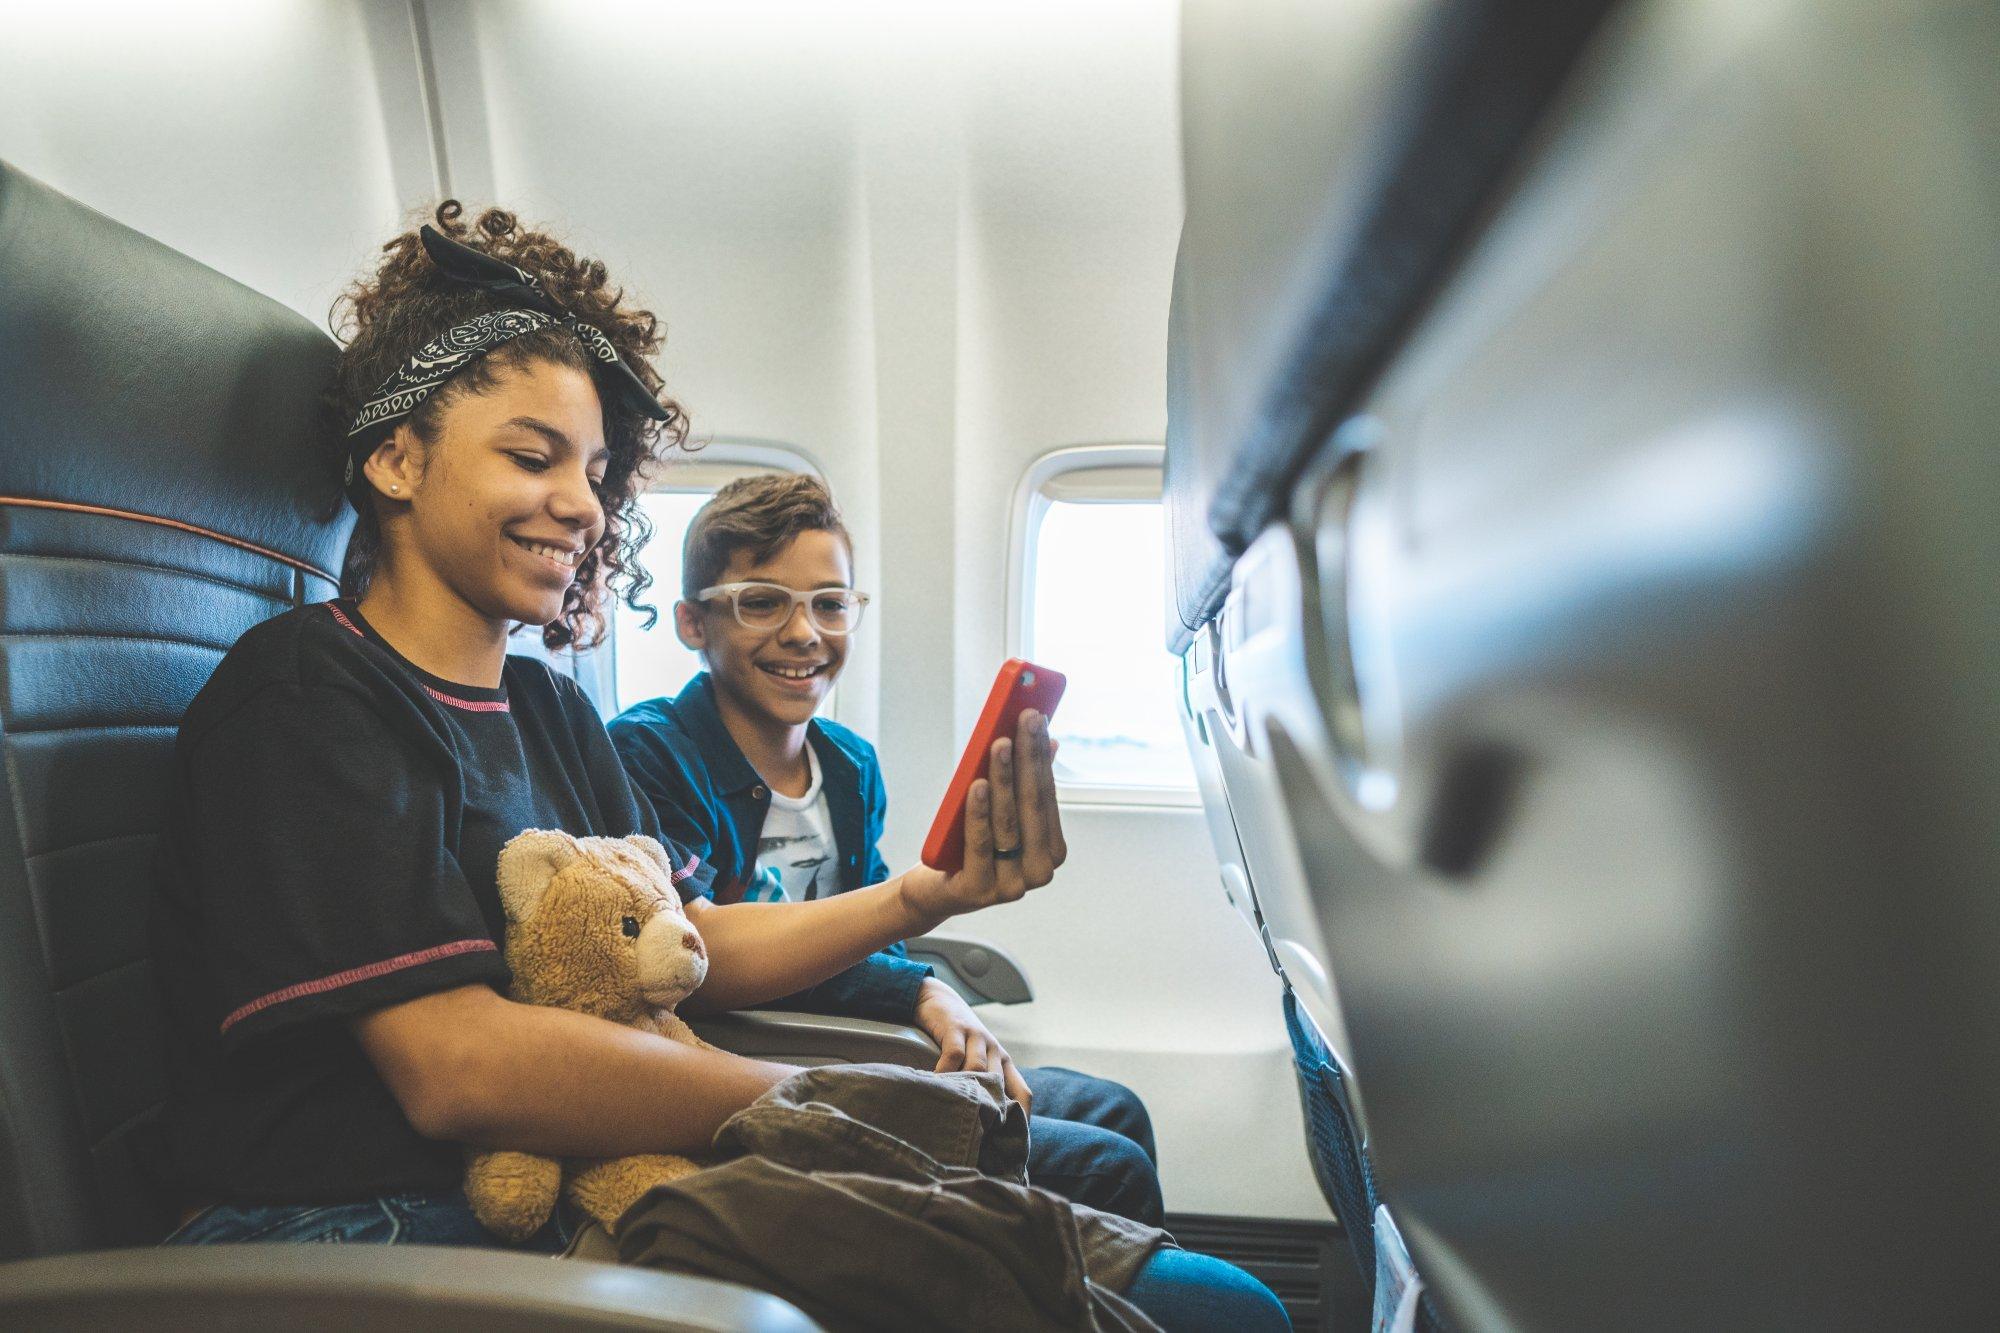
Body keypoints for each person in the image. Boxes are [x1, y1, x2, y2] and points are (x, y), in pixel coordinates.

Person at [150, 202, 1288, 1333]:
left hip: (579, 1167)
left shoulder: (545, 706)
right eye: (530, 456)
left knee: (1191, 1286)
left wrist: (922, 899)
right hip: (369, 1224)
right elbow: (458, 1067)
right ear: (396, 458)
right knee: (1199, 1309)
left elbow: (686, 944)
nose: (581, 506)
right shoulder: (309, 693)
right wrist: (824, 1105)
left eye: (596, 472)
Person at [608, 474, 1165, 1227]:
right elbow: (701, 960)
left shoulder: (849, 765)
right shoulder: (649, 751)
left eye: (831, 603)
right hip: (753, 1057)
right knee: (1108, 1165)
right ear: (692, 622)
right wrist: (916, 973)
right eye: (763, 601)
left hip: (852, 1036)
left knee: (1117, 1111)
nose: (805, 632)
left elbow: (874, 939)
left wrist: (927, 989)